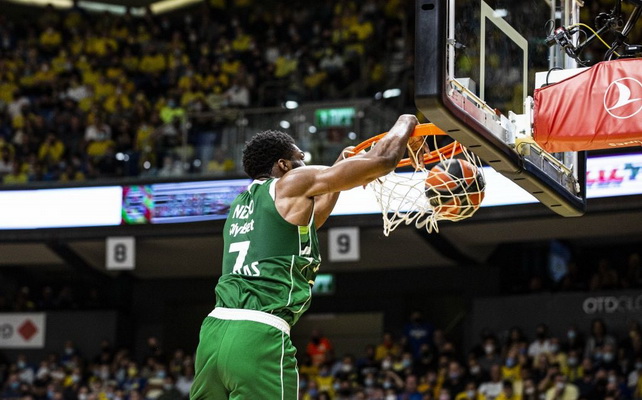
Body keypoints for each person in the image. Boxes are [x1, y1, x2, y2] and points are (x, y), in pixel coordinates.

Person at [190, 114, 421, 399]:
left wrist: (338, 170)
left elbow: (310, 218)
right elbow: (382, 161)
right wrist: (406, 122)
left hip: (213, 334)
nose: (306, 165)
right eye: (301, 158)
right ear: (283, 165)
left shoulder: (242, 203)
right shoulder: (292, 182)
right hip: (258, 335)